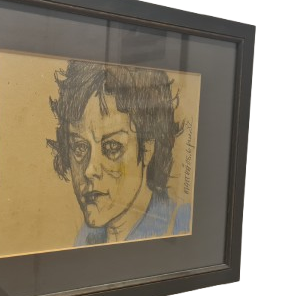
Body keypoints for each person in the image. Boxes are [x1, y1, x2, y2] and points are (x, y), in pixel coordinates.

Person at [47, 60, 191, 246]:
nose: (89, 170)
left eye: (112, 147)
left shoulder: (179, 225)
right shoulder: (85, 237)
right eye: (80, 147)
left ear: (147, 148)